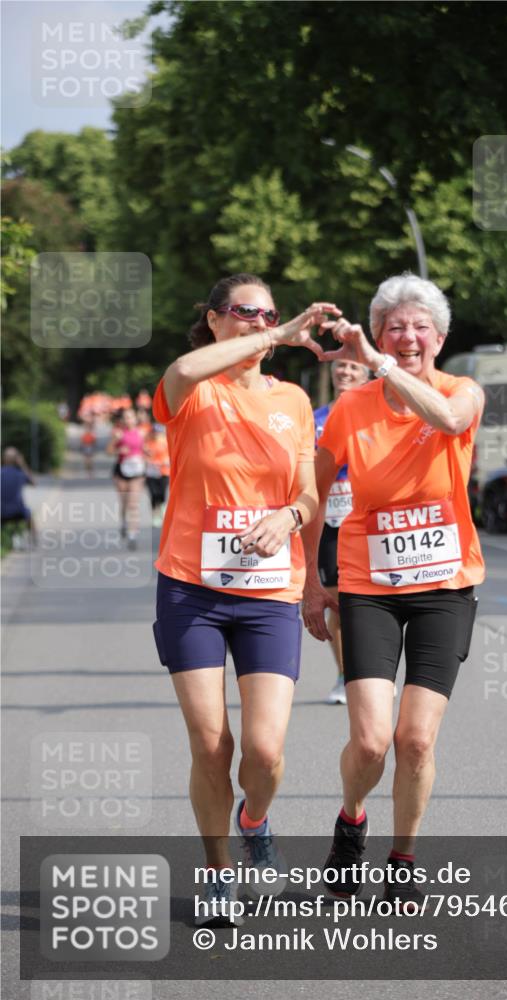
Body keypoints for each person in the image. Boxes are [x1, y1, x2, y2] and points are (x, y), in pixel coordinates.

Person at [151, 272, 339, 925]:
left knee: (264, 751)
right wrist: (280, 335)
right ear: (212, 319)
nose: (256, 323)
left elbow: (311, 494)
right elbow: (179, 368)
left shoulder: (290, 399)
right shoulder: (192, 389)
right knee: (211, 745)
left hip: (268, 593)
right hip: (190, 589)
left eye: (267, 315)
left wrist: (289, 521)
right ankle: (218, 872)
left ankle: (254, 818)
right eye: (242, 313)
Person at [302, 273, 485, 910]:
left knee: (416, 740)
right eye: (393, 327)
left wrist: (378, 364)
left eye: (418, 327)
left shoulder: (462, 391)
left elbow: (447, 417)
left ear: (439, 337)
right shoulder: (352, 409)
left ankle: (403, 858)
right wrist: (309, 583)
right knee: (374, 740)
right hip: (367, 587)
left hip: (445, 587)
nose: (407, 337)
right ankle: (351, 820)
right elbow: (315, 494)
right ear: (379, 333)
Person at [313, 360, 369, 705]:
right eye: (340, 367)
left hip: (366, 519)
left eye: (353, 367)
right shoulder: (315, 417)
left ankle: (373, 673)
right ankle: (345, 675)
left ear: (367, 375)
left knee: (369, 603)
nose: (345, 372)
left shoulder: (376, 414)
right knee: (338, 603)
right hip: (329, 521)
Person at [107, 408, 146, 550]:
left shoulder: (142, 433)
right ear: (122, 420)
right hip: (121, 471)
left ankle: (132, 534)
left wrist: (147, 452)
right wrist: (119, 450)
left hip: (137, 471)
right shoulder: (118, 434)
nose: (129, 420)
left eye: (131, 417)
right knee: (124, 503)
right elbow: (109, 451)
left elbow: (146, 448)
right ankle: (124, 522)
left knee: (133, 504)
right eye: (126, 418)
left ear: (135, 419)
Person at [1, 447, 36, 545]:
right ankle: (33, 542)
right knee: (29, 514)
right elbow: (33, 483)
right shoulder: (20, 474)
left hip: (1, 512)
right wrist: (23, 464)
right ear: (16, 460)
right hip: (18, 511)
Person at [143, 423, 170, 526]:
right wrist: (148, 461)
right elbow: (144, 456)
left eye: (159, 433)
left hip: (164, 472)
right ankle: (155, 514)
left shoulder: (166, 443)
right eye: (155, 432)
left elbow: (171, 455)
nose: (157, 435)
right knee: (153, 494)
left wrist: (166, 461)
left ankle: (162, 507)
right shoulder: (148, 444)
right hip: (151, 473)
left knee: (162, 493)